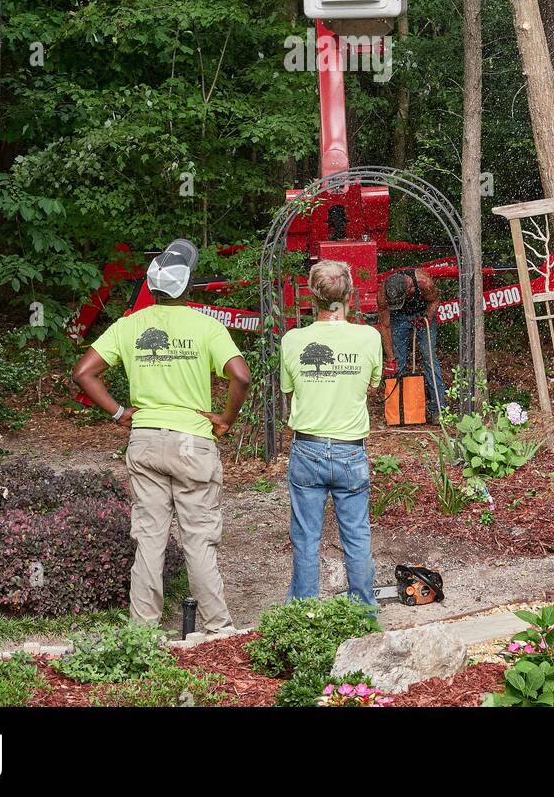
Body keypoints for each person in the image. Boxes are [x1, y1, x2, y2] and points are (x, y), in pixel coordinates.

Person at [72, 238, 251, 635]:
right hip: (193, 442)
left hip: (146, 440)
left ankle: (142, 633)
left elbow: (83, 373)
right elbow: (240, 375)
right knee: (198, 540)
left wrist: (119, 412)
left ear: (152, 288)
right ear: (187, 288)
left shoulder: (129, 326)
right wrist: (225, 419)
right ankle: (217, 630)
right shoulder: (206, 326)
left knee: (150, 539)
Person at [280, 259, 382, 606]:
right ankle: (364, 612)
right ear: (350, 294)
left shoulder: (293, 340)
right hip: (350, 450)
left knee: (306, 537)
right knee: (356, 534)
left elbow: (290, 390)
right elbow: (371, 387)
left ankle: (304, 615)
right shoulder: (369, 337)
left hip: (307, 450)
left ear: (312, 296)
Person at [376, 268, 446, 424]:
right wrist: (390, 358)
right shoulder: (383, 293)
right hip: (398, 318)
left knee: (429, 359)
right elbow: (385, 326)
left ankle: (439, 410)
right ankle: (396, 413)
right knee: (398, 362)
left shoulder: (424, 283)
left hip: (423, 312)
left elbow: (435, 301)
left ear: (409, 289)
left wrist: (426, 317)